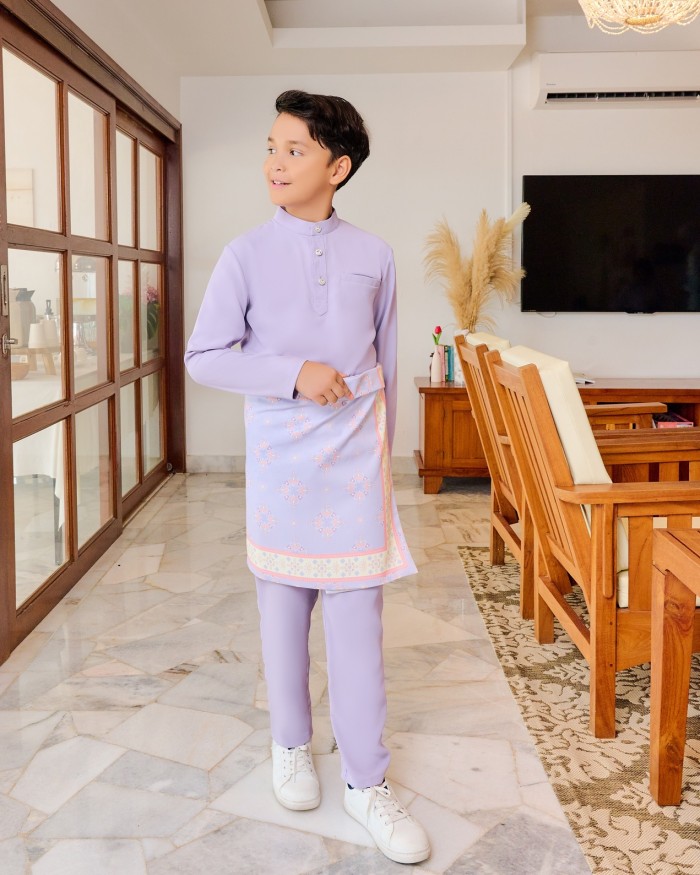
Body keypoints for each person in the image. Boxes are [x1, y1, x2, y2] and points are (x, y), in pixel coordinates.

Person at [185, 89, 430, 866]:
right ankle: (290, 745)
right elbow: (204, 357)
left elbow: (385, 365)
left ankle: (366, 782)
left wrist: (386, 466)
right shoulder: (244, 255)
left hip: (354, 464)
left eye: (294, 149)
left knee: (358, 631)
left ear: (338, 167)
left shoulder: (375, 256)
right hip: (282, 463)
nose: (275, 162)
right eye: (271, 147)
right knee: (283, 619)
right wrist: (293, 373)